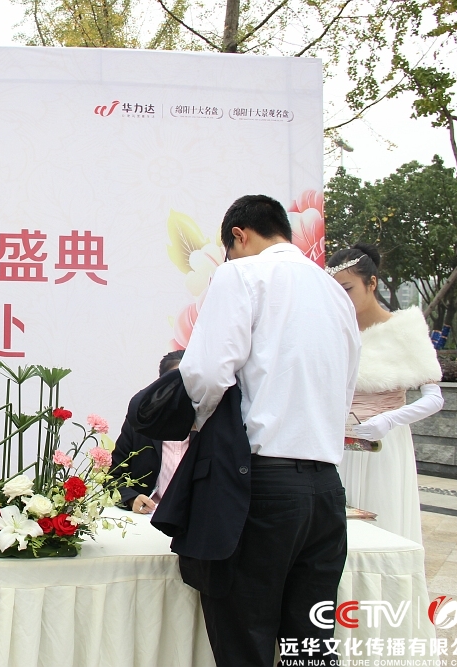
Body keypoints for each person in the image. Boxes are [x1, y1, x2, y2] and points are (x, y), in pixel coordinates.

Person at [178, 195, 360, 667]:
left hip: (259, 484)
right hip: (325, 489)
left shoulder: (241, 274)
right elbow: (346, 385)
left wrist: (203, 424)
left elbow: (206, 373)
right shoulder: (335, 293)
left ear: (239, 235)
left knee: (245, 640)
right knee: (310, 646)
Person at [327, 244, 443, 543]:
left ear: (372, 283)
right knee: (336, 532)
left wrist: (390, 420)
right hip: (337, 444)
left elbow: (434, 397)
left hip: (385, 444)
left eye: (348, 289)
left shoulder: (405, 329)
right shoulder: (333, 333)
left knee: (384, 522)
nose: (342, 298)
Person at [112, 350, 190, 513]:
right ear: (162, 385)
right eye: (176, 381)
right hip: (148, 517)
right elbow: (113, 476)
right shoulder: (139, 426)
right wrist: (131, 498)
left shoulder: (211, 427)